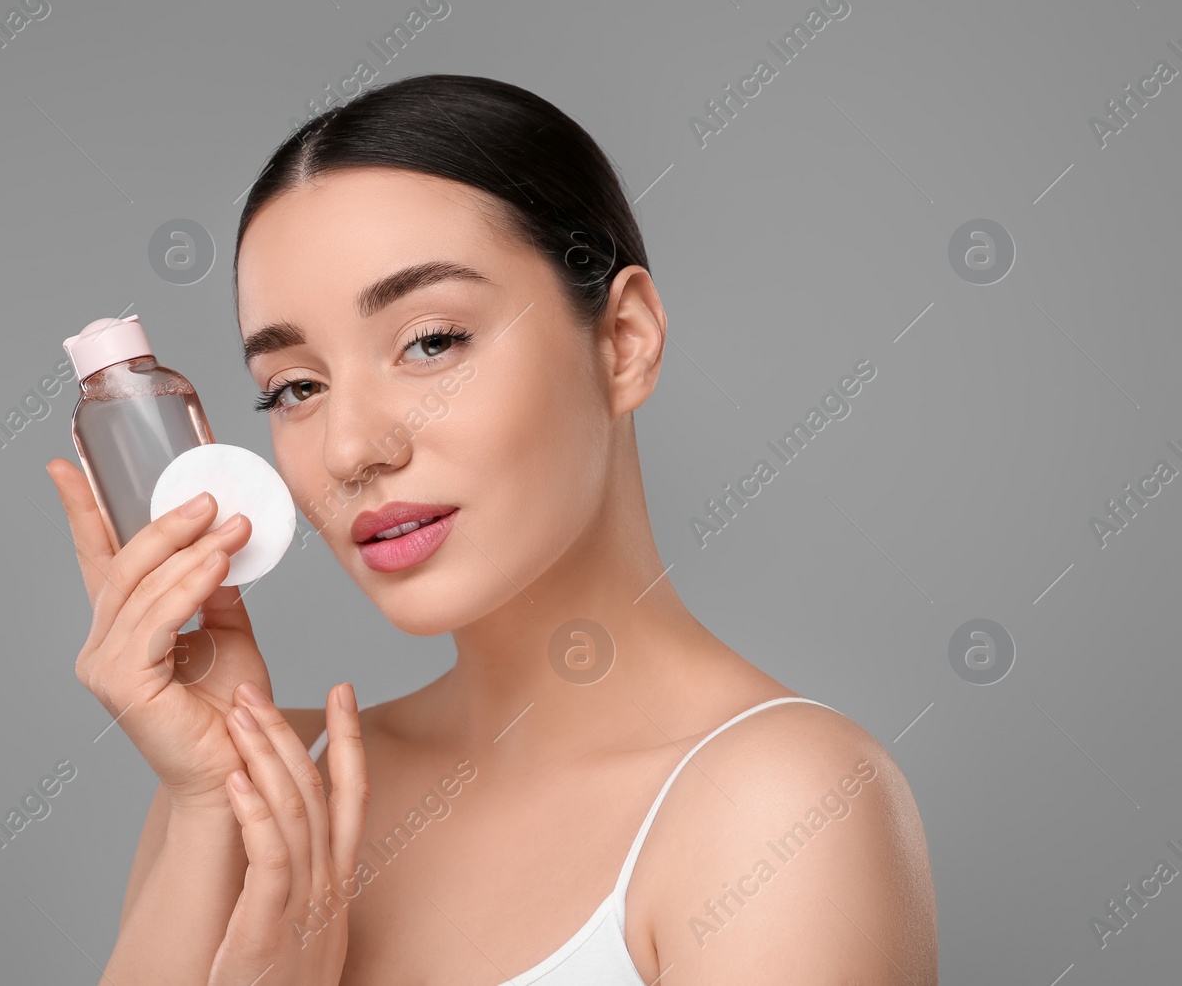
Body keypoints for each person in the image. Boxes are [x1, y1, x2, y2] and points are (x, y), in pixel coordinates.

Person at [47, 73, 937, 986]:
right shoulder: (251, 790)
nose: (352, 448)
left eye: (431, 341)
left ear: (624, 337)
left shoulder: (782, 808)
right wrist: (208, 801)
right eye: (295, 388)